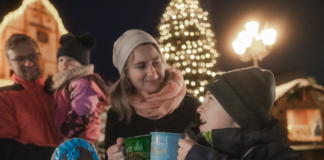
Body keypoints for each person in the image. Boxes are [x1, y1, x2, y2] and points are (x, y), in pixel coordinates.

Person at [105, 29, 201, 160]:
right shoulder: (117, 115)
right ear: (126, 73)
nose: (152, 72)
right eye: (141, 66)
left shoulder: (191, 105)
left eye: (156, 62)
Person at [177, 67, 302, 160]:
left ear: (238, 112)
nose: (199, 108)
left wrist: (202, 157)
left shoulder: (278, 155)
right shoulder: (203, 148)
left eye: (210, 99)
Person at [0, 34, 58, 159]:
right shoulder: (4, 97)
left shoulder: (55, 94)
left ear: (40, 57)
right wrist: (55, 155)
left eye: (33, 56)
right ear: (10, 63)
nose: (29, 63)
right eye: (20, 59)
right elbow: (5, 147)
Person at [52, 33, 108, 144]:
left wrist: (70, 139)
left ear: (81, 63)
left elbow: (81, 114)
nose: (64, 64)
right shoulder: (67, 82)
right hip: (68, 140)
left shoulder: (82, 83)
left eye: (69, 60)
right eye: (61, 60)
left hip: (78, 141)